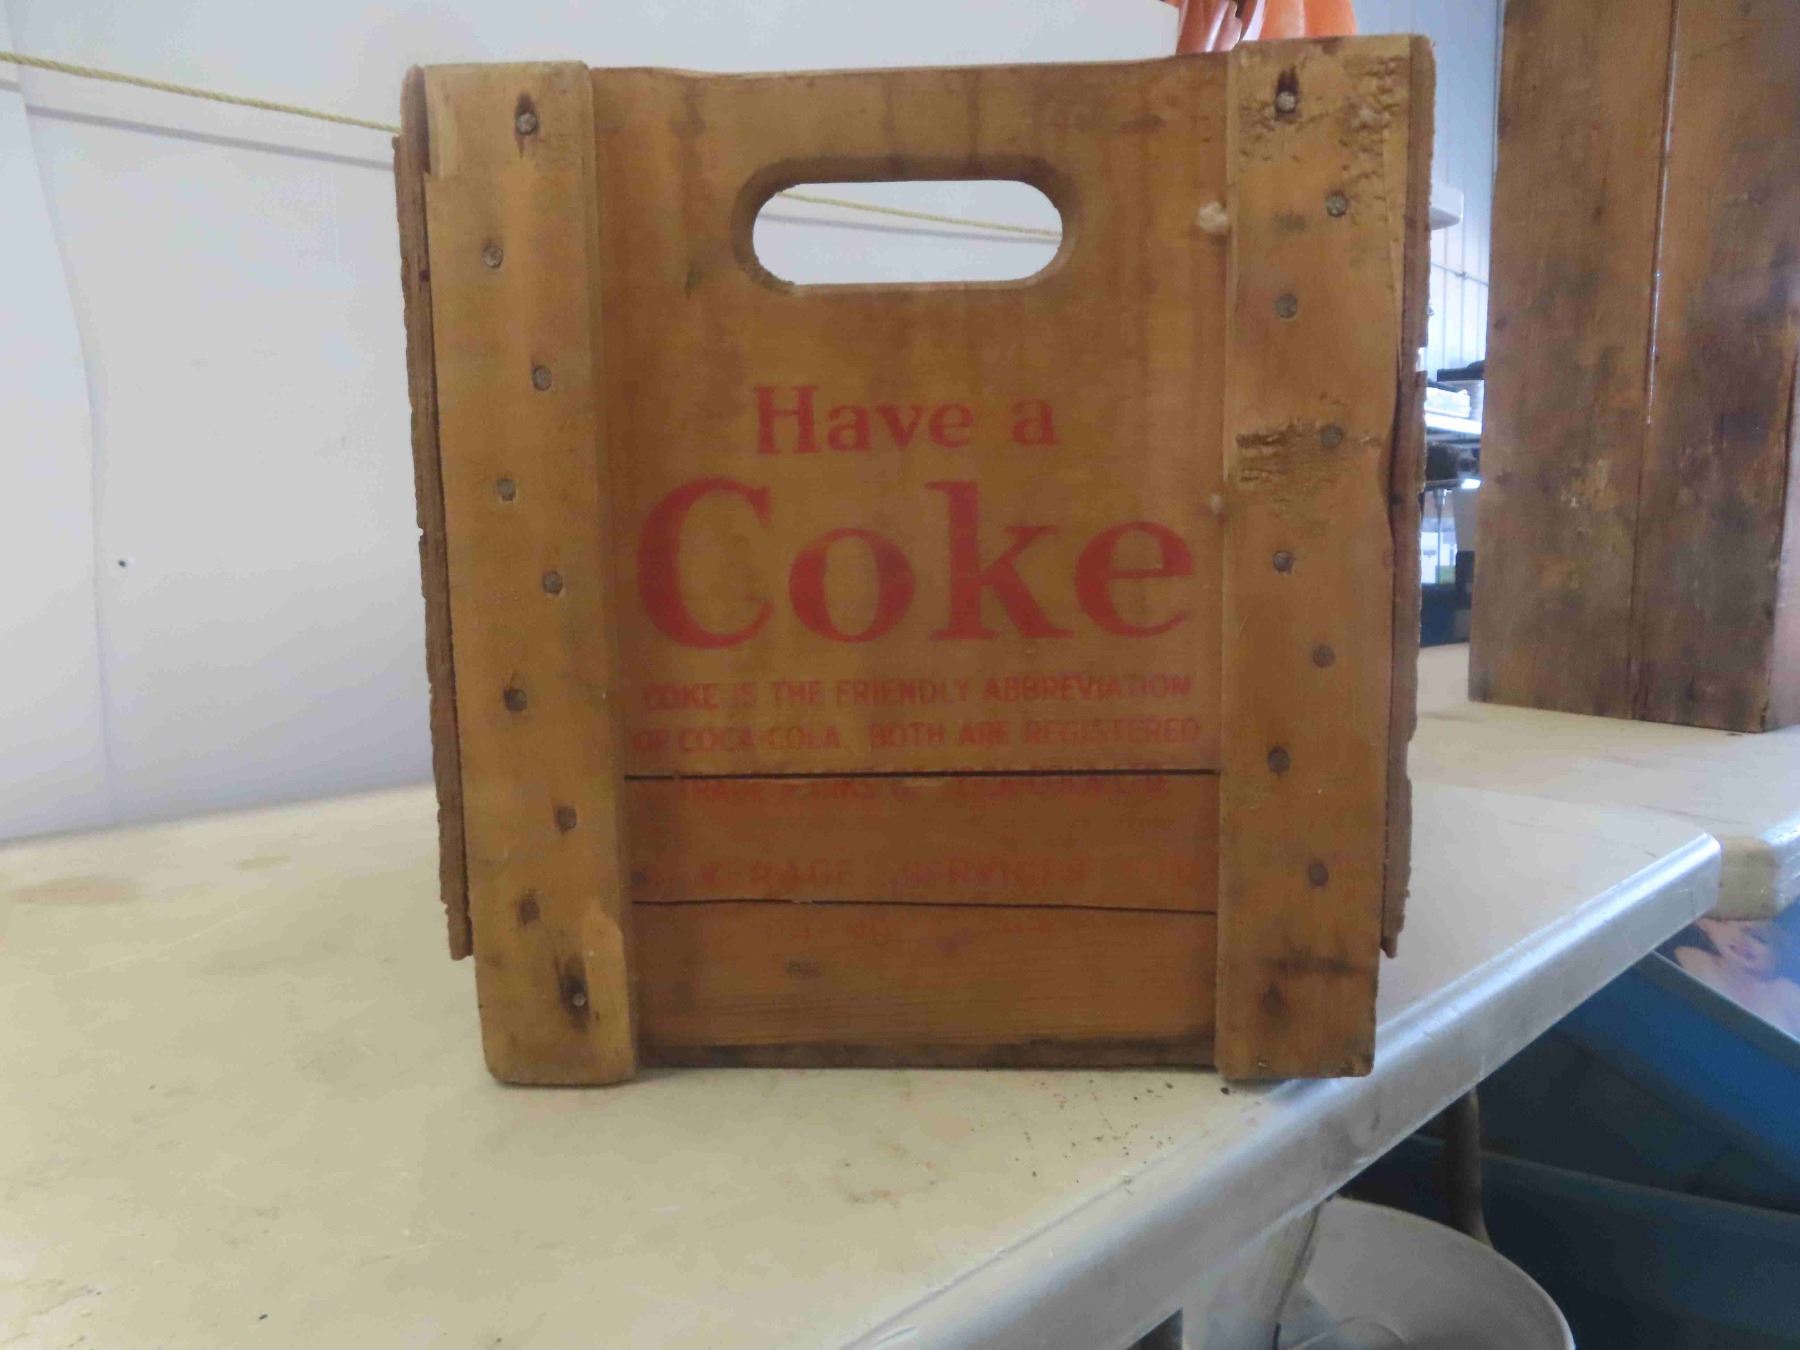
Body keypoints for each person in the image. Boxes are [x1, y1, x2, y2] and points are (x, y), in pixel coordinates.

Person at [1671, 917, 1800, 1039]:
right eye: (1733, 930)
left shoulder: (1785, 992)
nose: (1745, 942)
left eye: (1759, 938)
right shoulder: (1693, 958)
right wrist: (1710, 926)